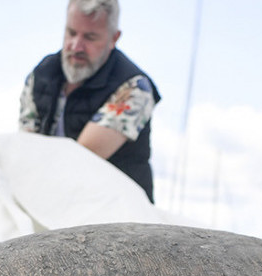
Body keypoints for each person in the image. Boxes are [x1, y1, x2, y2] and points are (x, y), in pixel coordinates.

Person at [19, 0, 161, 201]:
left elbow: (82, 160)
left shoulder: (135, 87)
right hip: (50, 201)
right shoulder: (41, 75)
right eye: (71, 32)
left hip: (118, 212)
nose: (76, 46)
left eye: (90, 37)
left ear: (114, 38)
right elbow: (25, 149)